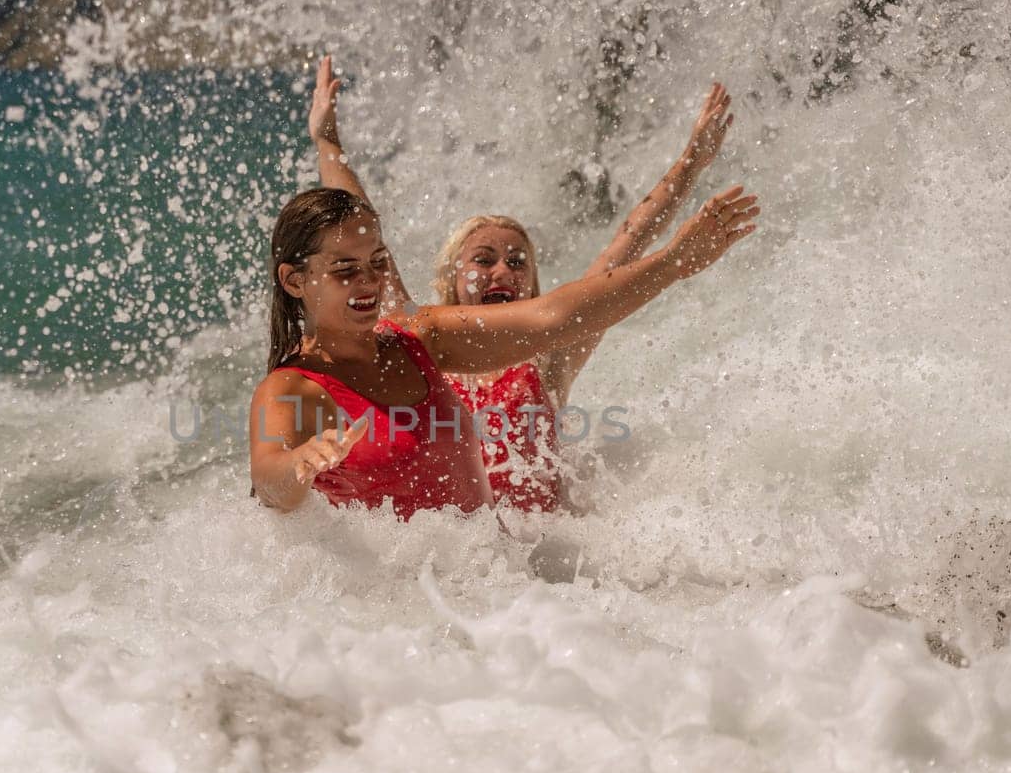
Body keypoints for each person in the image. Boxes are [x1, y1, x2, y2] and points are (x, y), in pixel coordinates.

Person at [307, 54, 734, 510]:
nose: (502, 271)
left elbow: (627, 244)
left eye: (517, 262)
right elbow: (360, 228)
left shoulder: (549, 353)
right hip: (456, 560)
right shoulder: (419, 343)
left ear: (532, 288)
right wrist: (326, 141)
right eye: (483, 259)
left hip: (537, 571)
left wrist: (692, 162)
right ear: (450, 280)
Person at [249, 170, 759, 519]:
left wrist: (673, 264)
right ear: (295, 281)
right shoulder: (293, 389)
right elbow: (269, 481)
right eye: (345, 270)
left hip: (496, 608)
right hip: (395, 625)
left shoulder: (420, 339)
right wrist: (300, 465)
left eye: (378, 263)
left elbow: (557, 315)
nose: (369, 283)